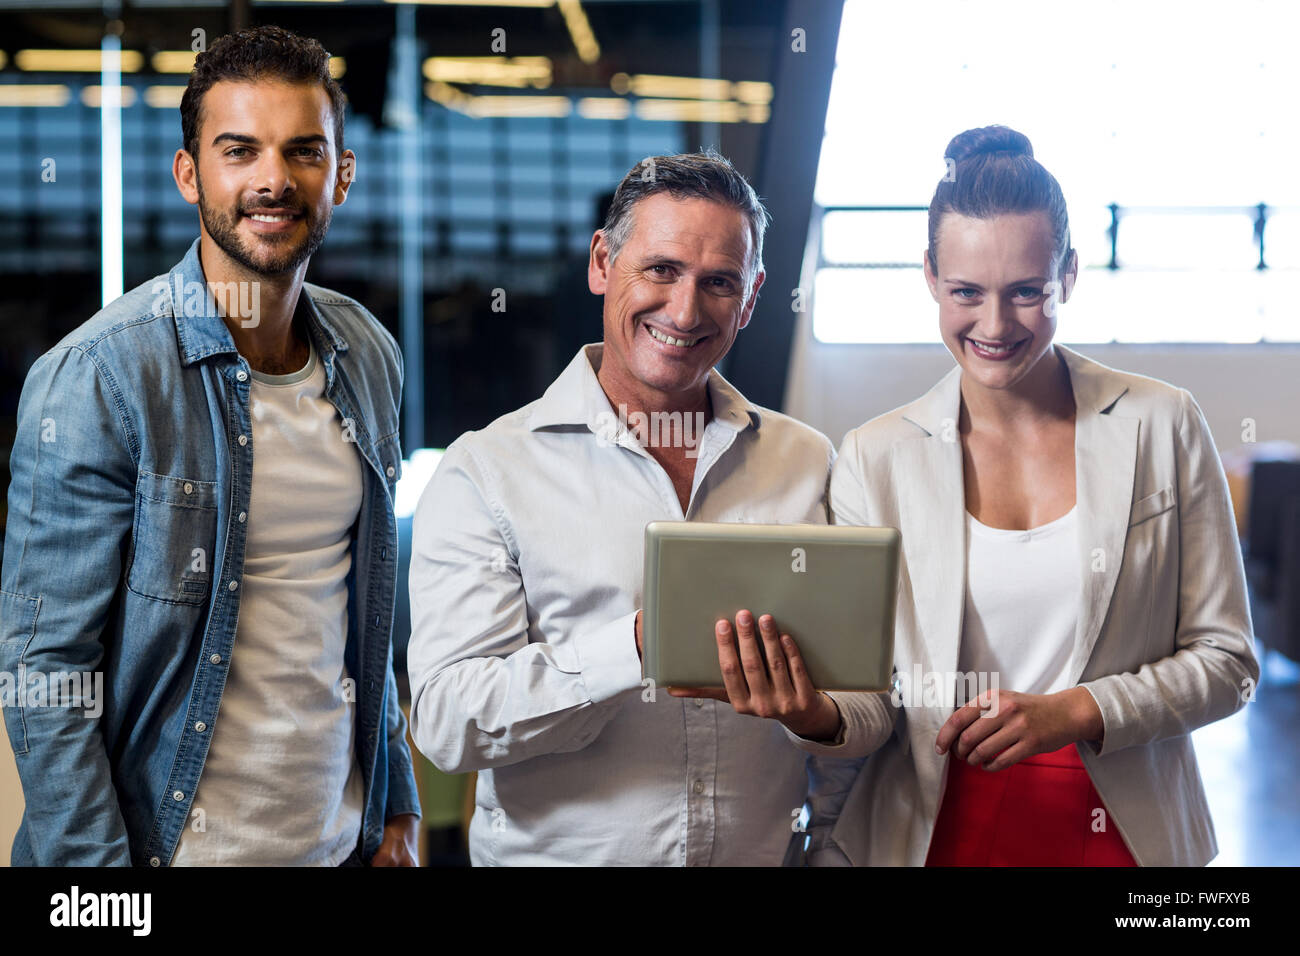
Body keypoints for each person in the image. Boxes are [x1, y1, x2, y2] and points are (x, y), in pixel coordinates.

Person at [0, 26, 420, 866]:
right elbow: (45, 673)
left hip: (339, 845)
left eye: (304, 151)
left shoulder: (367, 353)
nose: (273, 179)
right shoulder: (98, 376)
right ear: (191, 174)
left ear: (340, 173)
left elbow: (359, 619)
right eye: (240, 151)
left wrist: (397, 808)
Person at [792, 125, 1258, 866]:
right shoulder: (875, 458)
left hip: (1122, 831)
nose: (996, 325)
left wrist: (1077, 710)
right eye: (966, 293)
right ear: (928, 278)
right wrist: (811, 718)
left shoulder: (1161, 422)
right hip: (938, 830)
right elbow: (869, 696)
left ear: (1068, 275)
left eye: (1027, 293)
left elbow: (1227, 660)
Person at [406, 150, 841, 866]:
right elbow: (451, 723)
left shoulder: (808, 462)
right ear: (603, 263)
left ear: (754, 295)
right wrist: (639, 646)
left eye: (719, 282)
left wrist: (812, 715)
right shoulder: (487, 471)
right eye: (662, 269)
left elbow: (869, 701)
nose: (685, 309)